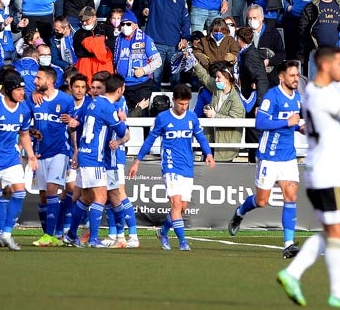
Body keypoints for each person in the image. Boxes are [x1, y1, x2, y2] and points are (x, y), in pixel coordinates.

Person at [277, 45, 340, 309]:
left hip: (322, 168)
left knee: (333, 231)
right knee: (337, 233)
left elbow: (330, 133)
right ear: (327, 65)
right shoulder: (324, 95)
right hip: (328, 173)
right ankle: (335, 292)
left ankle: (294, 275)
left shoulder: (311, 93)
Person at [129, 83, 216, 251]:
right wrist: (138, 160)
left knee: (182, 207)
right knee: (176, 204)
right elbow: (150, 140)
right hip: (170, 165)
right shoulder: (163, 118)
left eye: (186, 104)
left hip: (186, 166)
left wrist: (209, 154)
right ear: (174, 101)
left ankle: (163, 232)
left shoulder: (192, 118)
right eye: (180, 104)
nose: (183, 107)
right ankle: (183, 242)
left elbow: (201, 138)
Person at [228, 60, 302, 256]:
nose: (296, 79)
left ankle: (288, 244)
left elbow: (292, 123)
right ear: (281, 77)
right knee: (262, 201)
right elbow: (260, 121)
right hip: (269, 155)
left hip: (288, 155)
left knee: (291, 196)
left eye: (297, 75)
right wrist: (287, 122)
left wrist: (301, 127)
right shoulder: (272, 96)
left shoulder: (297, 98)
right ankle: (240, 213)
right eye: (292, 75)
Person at [0, 69, 39, 252]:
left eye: (23, 89)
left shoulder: (24, 109)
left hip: (11, 157)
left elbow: (24, 135)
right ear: (9, 90)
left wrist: (31, 155)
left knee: (20, 193)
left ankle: (6, 234)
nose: (22, 93)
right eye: (19, 90)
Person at [63, 72, 129, 248]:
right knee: (100, 196)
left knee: (85, 198)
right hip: (94, 157)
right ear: (120, 89)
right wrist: (122, 120)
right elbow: (122, 132)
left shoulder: (92, 103)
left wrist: (77, 151)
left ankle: (70, 235)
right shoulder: (108, 107)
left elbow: (78, 125)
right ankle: (93, 239)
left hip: (85, 153)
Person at [28, 65, 76, 247]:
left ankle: (50, 234)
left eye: (38, 78)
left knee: (51, 190)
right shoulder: (33, 99)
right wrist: (33, 133)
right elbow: (25, 125)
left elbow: (73, 127)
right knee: (42, 197)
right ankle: (49, 234)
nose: (35, 81)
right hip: (39, 153)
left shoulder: (66, 101)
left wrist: (75, 150)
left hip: (60, 152)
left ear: (49, 80)